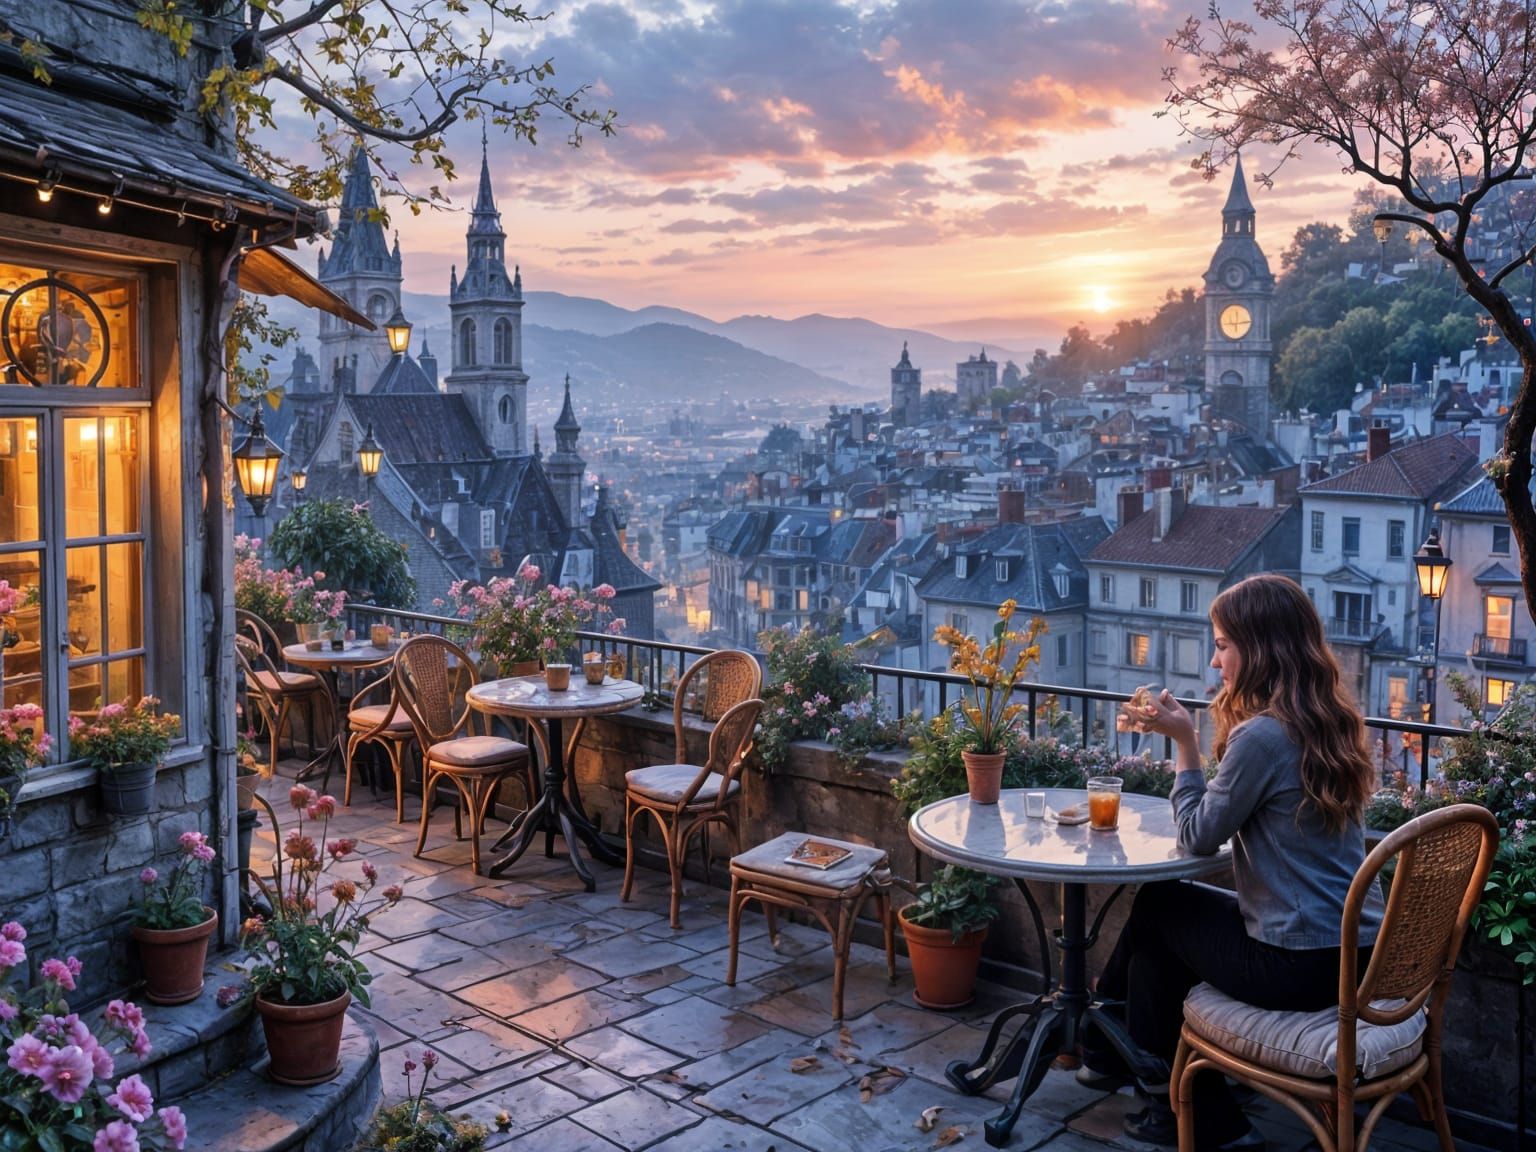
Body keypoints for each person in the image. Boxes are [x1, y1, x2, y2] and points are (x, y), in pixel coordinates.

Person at [1085, 573, 1384, 1151]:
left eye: (1223, 645)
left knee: (1159, 906)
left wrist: (1184, 743)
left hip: (1296, 963)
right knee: (1156, 947)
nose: (1215, 661)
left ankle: (1116, 1049)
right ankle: (1154, 1085)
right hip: (1354, 952)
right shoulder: (1330, 720)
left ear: (1260, 648)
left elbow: (1198, 836)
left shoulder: (1264, 738)